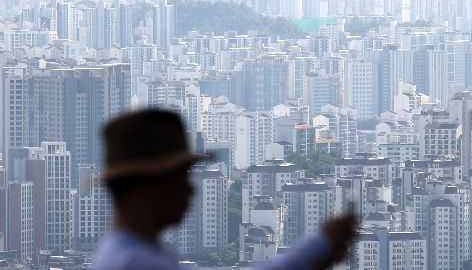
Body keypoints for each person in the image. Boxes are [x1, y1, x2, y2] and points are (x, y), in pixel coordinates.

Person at [94, 110, 356, 270]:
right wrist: (320, 243)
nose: (190, 190)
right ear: (146, 185)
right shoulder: (137, 263)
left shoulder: (124, 252)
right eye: (178, 178)